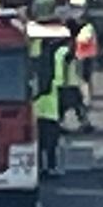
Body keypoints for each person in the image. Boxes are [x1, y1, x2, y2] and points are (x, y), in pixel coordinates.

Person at [33, 45, 62, 175]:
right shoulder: (51, 74)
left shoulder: (33, 74)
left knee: (39, 144)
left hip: (37, 113)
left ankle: (40, 167)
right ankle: (51, 167)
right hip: (50, 114)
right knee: (51, 144)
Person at [73, 16, 100, 104]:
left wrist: (77, 39)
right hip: (87, 55)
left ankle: (86, 98)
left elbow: (85, 39)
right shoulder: (88, 28)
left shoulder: (87, 28)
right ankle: (88, 96)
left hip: (85, 56)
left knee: (83, 78)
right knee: (86, 78)